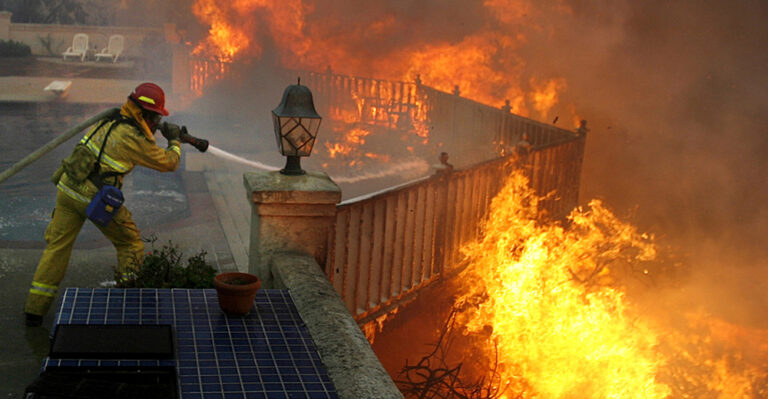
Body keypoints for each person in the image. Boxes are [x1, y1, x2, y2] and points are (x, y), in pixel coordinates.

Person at [24, 82, 183, 326]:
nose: (155, 123)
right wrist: (174, 141)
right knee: (130, 244)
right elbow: (168, 163)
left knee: (57, 248)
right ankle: (127, 302)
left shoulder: (110, 119)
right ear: (145, 114)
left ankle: (34, 311)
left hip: (68, 187)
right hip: (94, 197)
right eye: (155, 118)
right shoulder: (134, 137)